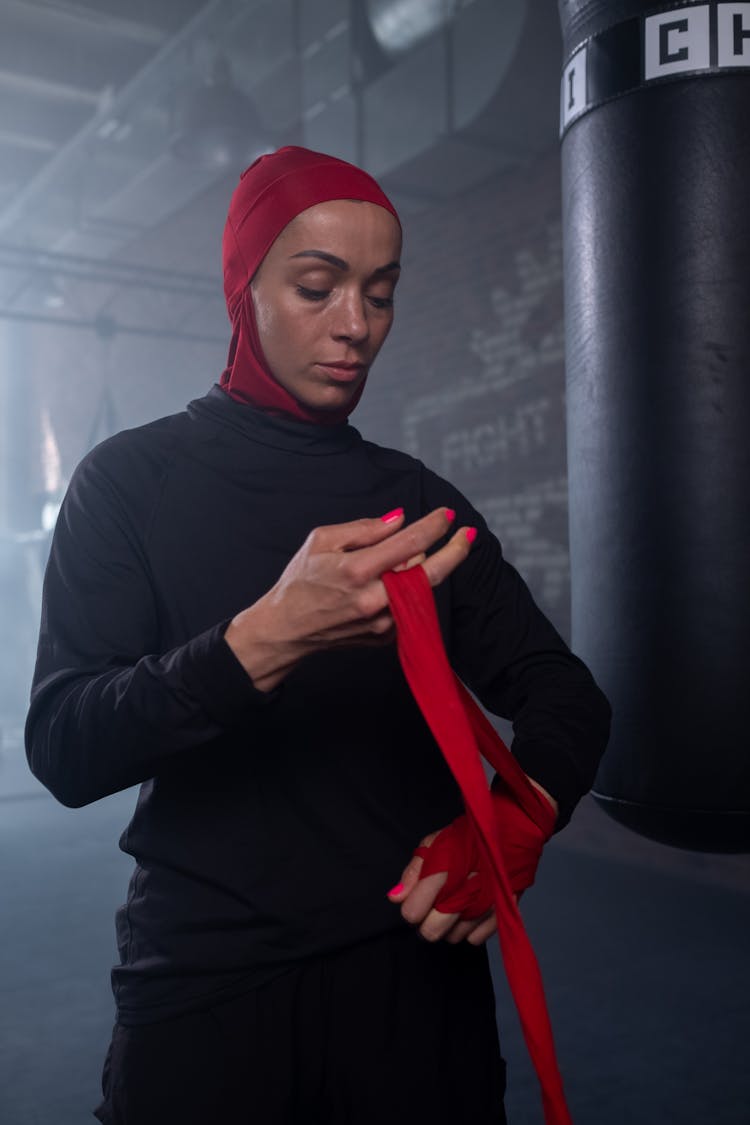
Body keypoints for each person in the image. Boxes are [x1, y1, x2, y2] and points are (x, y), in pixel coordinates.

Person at [25, 146, 611, 1124]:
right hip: (207, 983)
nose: (355, 328)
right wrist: (262, 638)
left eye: (379, 294)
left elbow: (565, 692)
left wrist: (522, 812)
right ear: (244, 287)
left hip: (415, 984)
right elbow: (65, 748)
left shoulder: (412, 501)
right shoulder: (127, 483)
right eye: (317, 286)